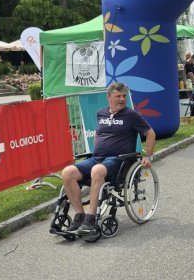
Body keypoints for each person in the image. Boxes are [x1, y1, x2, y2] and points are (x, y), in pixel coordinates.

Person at [61, 82, 156, 235]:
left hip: (119, 161)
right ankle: (79, 216)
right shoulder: (101, 113)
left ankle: (90, 219)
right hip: (98, 158)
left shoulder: (132, 115)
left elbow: (150, 133)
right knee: (67, 172)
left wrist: (148, 156)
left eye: (124, 96)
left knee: (97, 170)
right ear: (109, 98)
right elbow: (98, 134)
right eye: (118, 96)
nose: (122, 99)